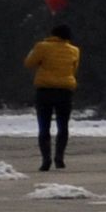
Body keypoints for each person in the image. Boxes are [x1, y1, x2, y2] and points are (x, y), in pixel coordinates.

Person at [22, 20, 81, 171]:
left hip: (45, 90)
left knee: (44, 126)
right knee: (63, 125)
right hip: (65, 90)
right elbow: (74, 70)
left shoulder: (42, 46)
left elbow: (29, 63)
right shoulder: (74, 50)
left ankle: (46, 159)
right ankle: (59, 157)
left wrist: (33, 51)